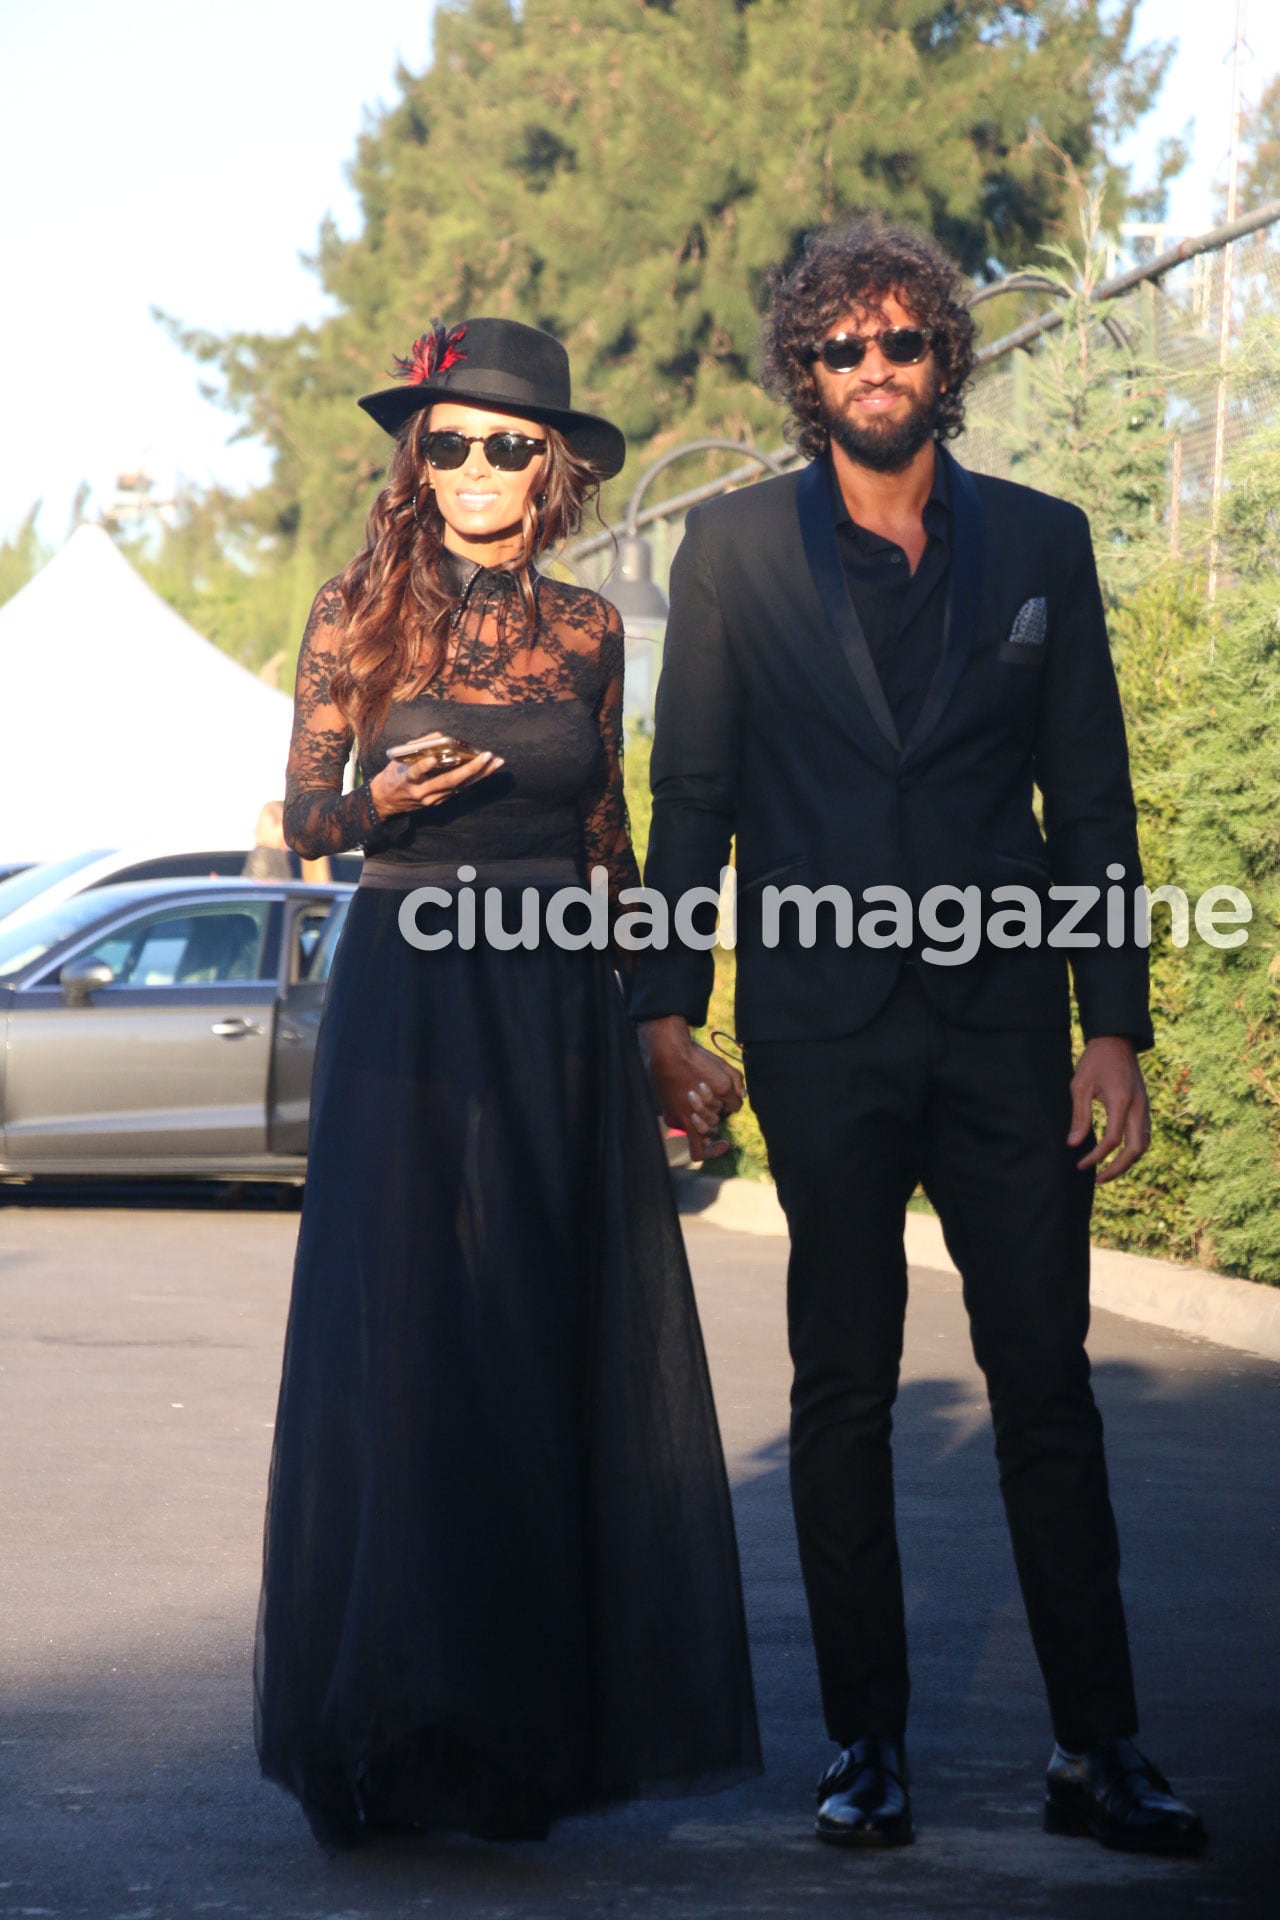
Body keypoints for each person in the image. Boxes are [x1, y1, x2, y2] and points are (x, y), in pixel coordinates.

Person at [631, 218, 1205, 1856]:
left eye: (900, 344)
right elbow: (699, 807)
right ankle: (863, 1743)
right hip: (825, 1032)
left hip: (1011, 1028)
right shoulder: (734, 555)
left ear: (943, 358)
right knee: (845, 1389)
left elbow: (1091, 803)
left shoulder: (1042, 542)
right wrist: (665, 1007)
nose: (874, 371)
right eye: (841, 351)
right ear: (802, 378)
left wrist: (1118, 1030)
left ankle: (1099, 1747)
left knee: (1047, 1387)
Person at [255, 316, 760, 1848]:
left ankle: (524, 1729)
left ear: (556, 471)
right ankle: (392, 1722)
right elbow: (298, 824)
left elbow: (608, 848)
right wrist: (373, 799)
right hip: (411, 994)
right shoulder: (357, 612)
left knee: (533, 1339)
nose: (477, 467)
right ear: (421, 459)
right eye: (452, 440)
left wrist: (666, 1017)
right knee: (409, 1338)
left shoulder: (594, 635)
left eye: (510, 444)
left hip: (549, 1005)